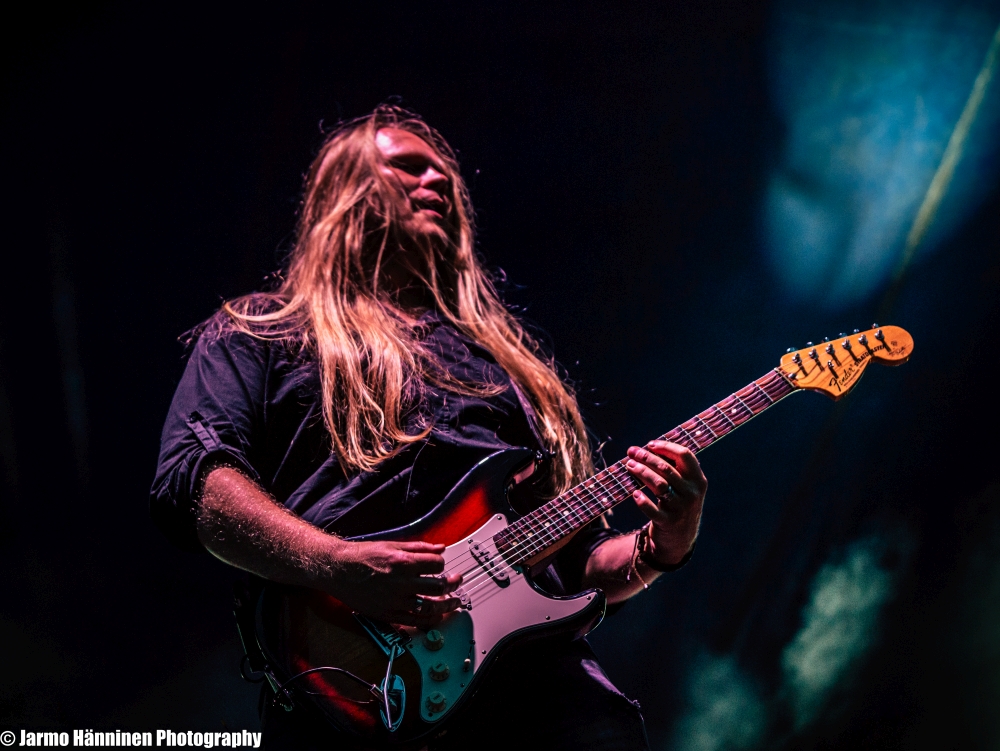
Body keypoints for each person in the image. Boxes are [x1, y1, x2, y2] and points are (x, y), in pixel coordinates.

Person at [150, 105, 707, 751]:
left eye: (445, 174)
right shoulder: (264, 330)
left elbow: (575, 565)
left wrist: (664, 543)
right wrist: (336, 564)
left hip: (543, 699)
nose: (439, 181)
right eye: (410, 167)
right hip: (355, 687)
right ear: (346, 193)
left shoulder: (509, 369)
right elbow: (198, 486)